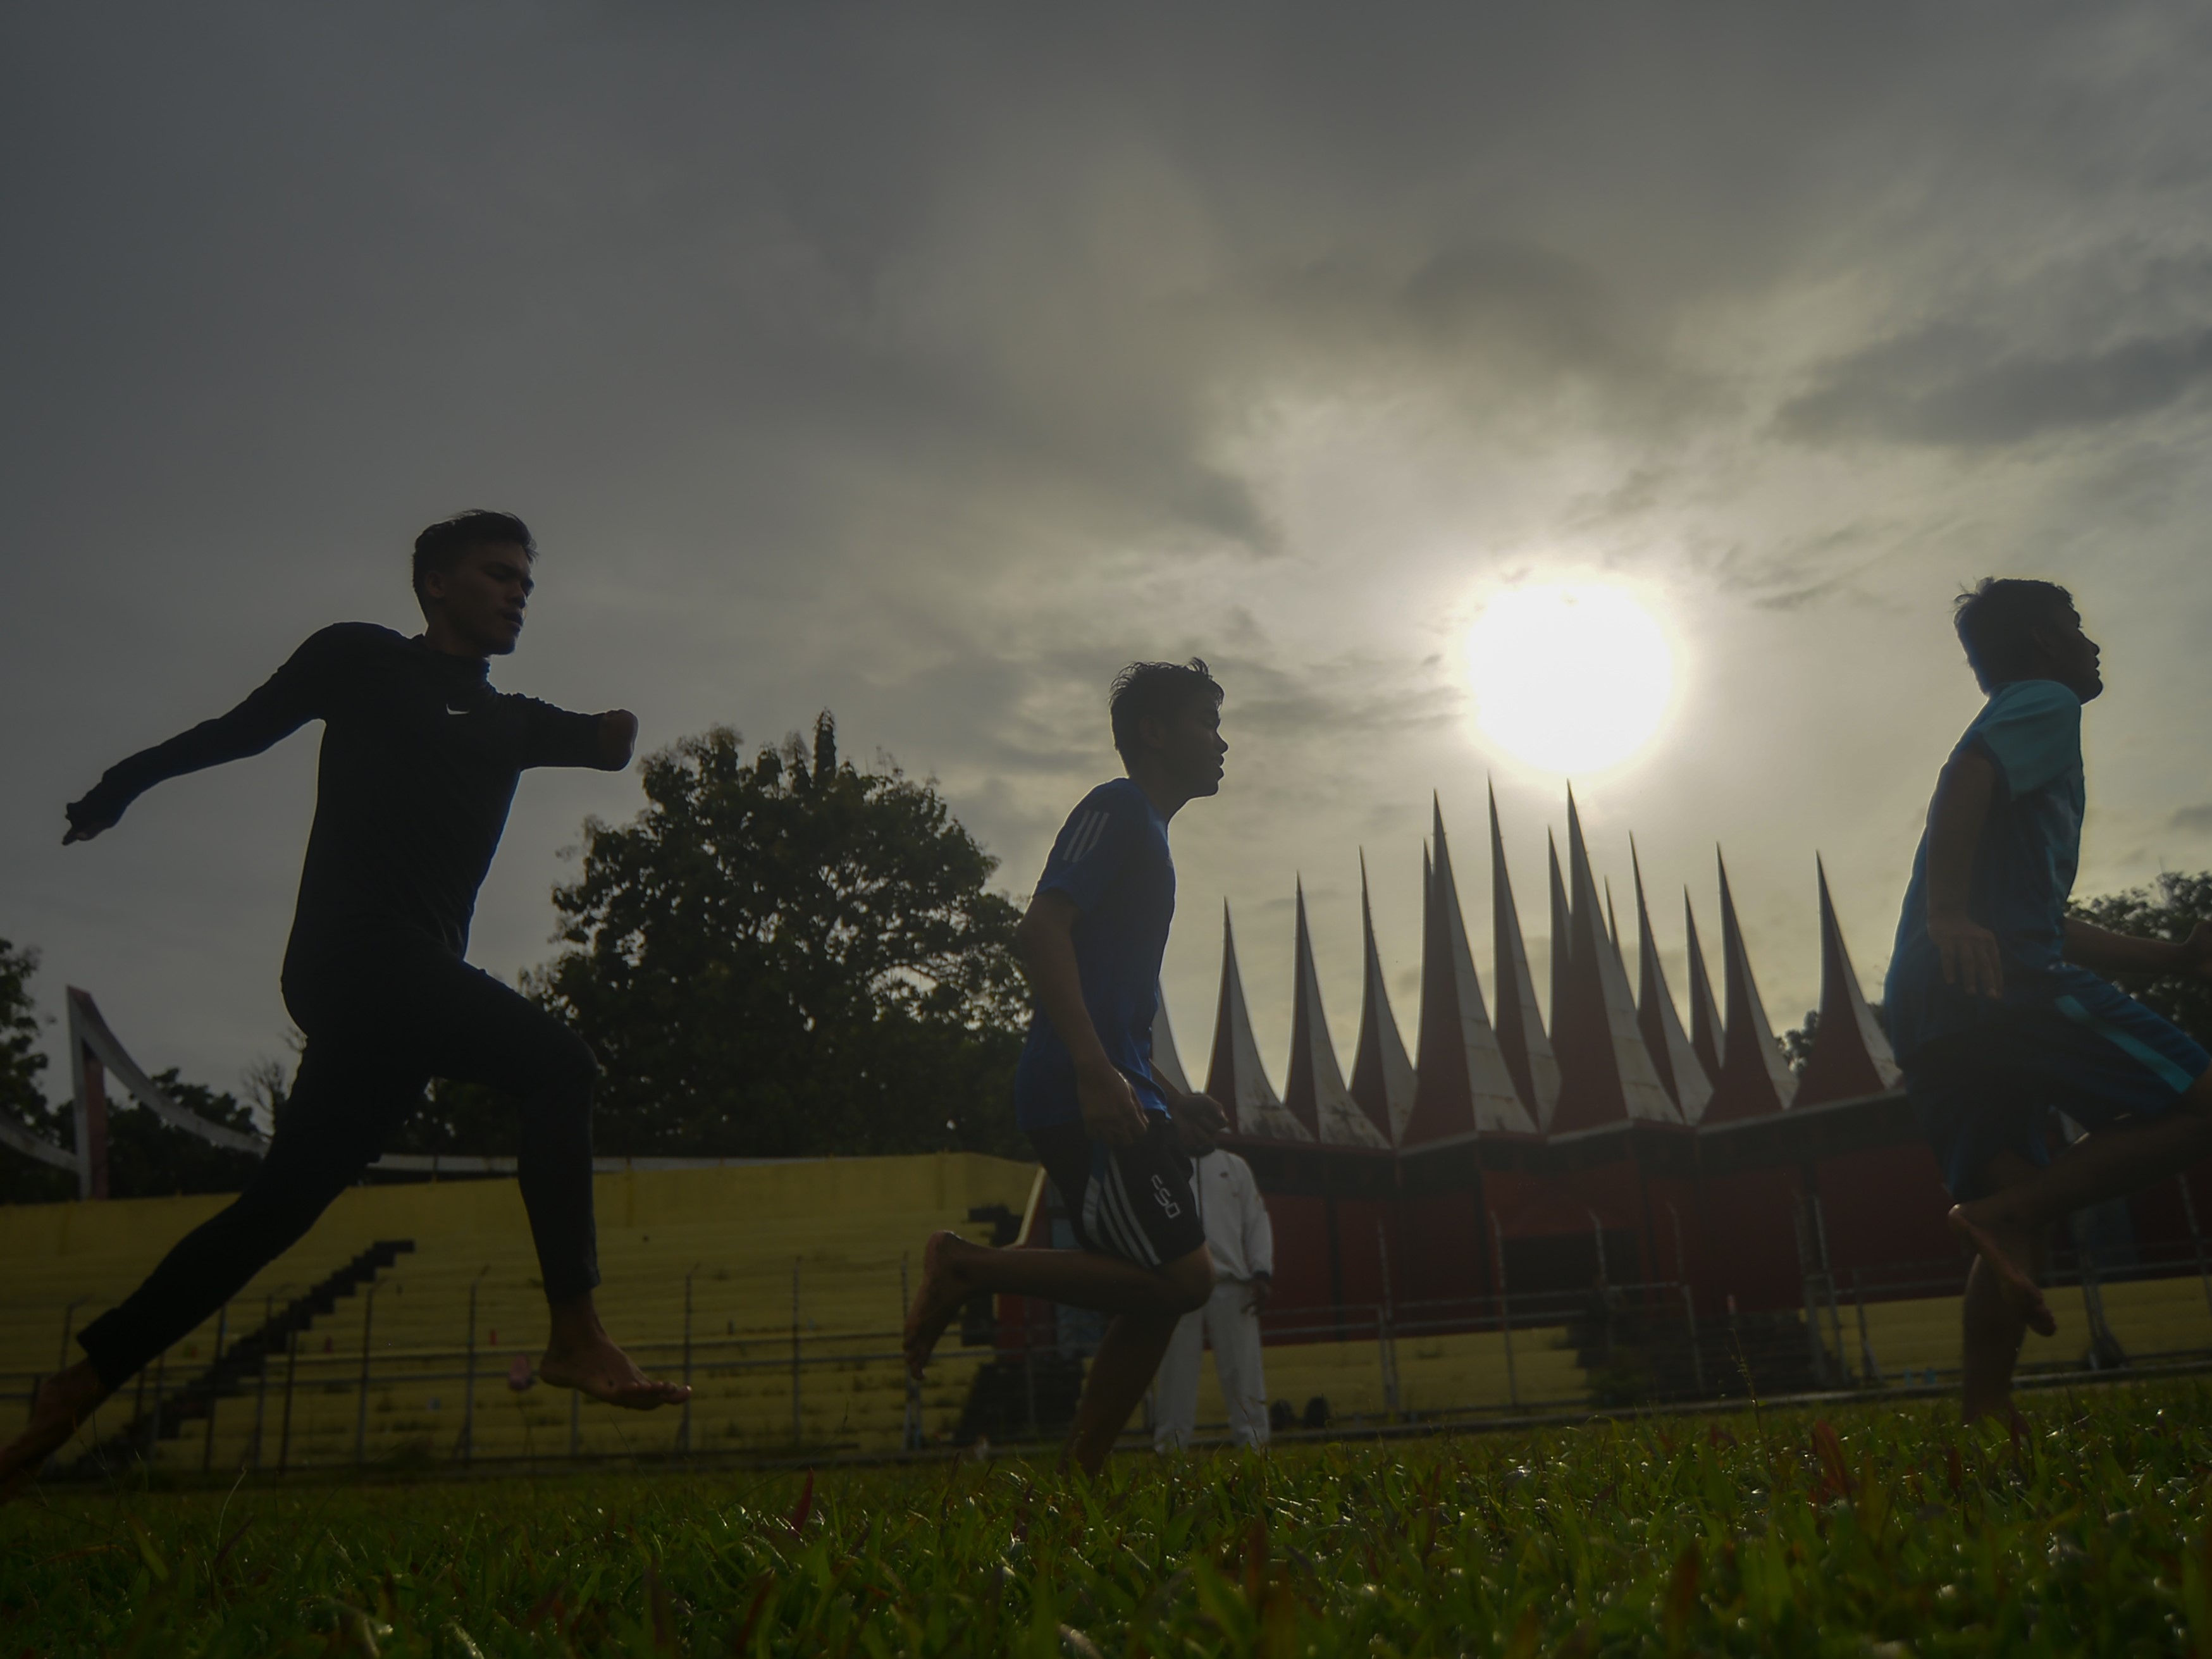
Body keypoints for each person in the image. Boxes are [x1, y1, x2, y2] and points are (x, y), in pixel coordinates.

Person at [0, 510, 688, 1498]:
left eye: (526, 583)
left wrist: (619, 734)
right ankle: (577, 1332)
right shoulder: (361, 660)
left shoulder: (512, 721)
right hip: (350, 958)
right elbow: (241, 729)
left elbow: (606, 745)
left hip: (402, 995)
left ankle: (76, 1384)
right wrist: (124, 781)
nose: (517, 593)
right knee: (559, 1062)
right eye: (498, 575)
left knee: (278, 1209)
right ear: (435, 584)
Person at [1883, 579, 2212, 1424]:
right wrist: (1951, 910)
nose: (2091, 645)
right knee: (2200, 1102)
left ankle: (1986, 1417)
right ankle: (2002, 1211)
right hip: (1999, 981)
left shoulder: (2025, 740)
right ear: (2042, 639)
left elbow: (2047, 918)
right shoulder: (2042, 704)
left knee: (2013, 1196)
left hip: (1929, 998)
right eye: (2076, 628)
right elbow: (1966, 773)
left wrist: (2174, 956)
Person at [903, 659, 1228, 1476]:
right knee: (1185, 1277)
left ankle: (1075, 1479)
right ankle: (966, 1263)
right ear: (1153, 731)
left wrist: (1173, 1095)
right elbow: (1042, 927)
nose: (1221, 741)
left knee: (1153, 1287)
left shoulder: (1153, 840)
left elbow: (1123, 1003)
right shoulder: (1117, 808)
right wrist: (1094, 1071)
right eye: (1206, 720)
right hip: (1079, 1084)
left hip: (1122, 1082)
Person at [1151, 1107, 1274, 1452]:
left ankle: (1254, 1446)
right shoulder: (1166, 1166)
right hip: (1179, 1283)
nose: (1199, 1133)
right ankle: (1170, 1450)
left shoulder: (1235, 1168)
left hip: (1232, 1284)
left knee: (1244, 1371)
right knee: (1176, 1373)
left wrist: (1262, 1271)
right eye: (1193, 1123)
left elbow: (1256, 1221)